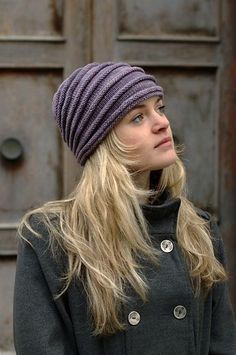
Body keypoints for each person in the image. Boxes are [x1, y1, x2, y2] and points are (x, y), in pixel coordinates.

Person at [13, 62, 236, 355]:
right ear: (102, 140)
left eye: (160, 107)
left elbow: (223, 346)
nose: (162, 123)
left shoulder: (198, 231)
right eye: (138, 117)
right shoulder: (52, 239)